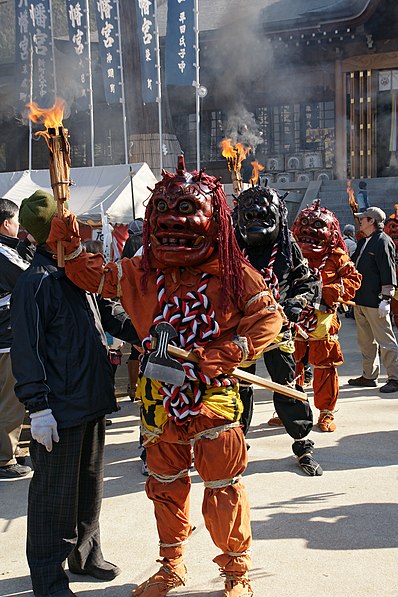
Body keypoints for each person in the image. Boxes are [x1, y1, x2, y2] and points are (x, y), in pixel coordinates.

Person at [48, 156, 284, 597]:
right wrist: (72, 244)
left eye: (188, 210)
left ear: (215, 221)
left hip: (212, 397)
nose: (174, 221)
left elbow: (270, 319)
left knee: (222, 487)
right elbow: (88, 275)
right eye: (163, 211)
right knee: (164, 486)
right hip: (159, 396)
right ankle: (172, 565)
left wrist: (230, 350)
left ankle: (236, 571)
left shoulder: (234, 273)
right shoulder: (138, 271)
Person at [10, 190, 140, 597]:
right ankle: (48, 578)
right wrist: (38, 407)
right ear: (47, 236)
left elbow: (110, 315)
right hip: (60, 408)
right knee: (54, 497)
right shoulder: (35, 283)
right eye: (65, 231)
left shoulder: (77, 274)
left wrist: (148, 333)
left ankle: (86, 555)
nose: (76, 237)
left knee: (89, 486)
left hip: (93, 399)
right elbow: (26, 352)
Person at [234, 183, 322, 476]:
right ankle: (236, 441)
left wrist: (296, 303)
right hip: (241, 330)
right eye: (247, 217)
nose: (254, 222)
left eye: (262, 215)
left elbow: (307, 282)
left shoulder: (287, 246)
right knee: (238, 386)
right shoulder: (231, 247)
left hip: (277, 328)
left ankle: (302, 442)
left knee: (285, 384)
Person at [291, 200, 362, 432]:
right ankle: (290, 410)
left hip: (323, 319)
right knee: (291, 365)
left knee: (324, 366)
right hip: (294, 317)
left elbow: (354, 279)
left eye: (318, 226)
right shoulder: (289, 254)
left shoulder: (337, 256)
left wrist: (331, 291)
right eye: (304, 225)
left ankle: (326, 412)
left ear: (331, 233)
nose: (309, 231)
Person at [0, 198, 33, 478]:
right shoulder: (3, 252)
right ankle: (4, 460)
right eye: (17, 223)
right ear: (6, 223)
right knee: (10, 400)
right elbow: (29, 277)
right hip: (5, 338)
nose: (19, 228)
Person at [348, 206, 398, 393]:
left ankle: (395, 377)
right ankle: (369, 376)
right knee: (366, 342)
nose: (360, 221)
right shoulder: (363, 242)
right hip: (360, 300)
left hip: (377, 301)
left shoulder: (383, 241)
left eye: (363, 218)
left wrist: (386, 298)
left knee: (385, 341)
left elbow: (388, 270)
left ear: (372, 221)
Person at [121, 219, 144, 400]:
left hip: (133, 299)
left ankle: (133, 387)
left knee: (135, 346)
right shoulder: (148, 244)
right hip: (150, 298)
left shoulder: (130, 245)